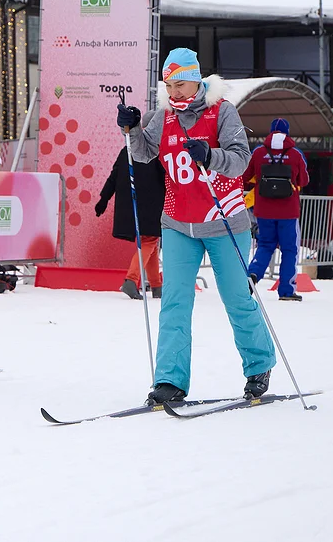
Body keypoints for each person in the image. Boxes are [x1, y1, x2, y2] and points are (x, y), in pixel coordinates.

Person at [120, 47, 276, 404]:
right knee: (175, 302)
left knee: (237, 298)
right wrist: (132, 127)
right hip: (178, 223)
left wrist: (211, 156)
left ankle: (259, 365)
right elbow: (144, 152)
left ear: (197, 80)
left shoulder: (222, 111)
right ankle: (170, 380)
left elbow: (240, 162)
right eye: (169, 85)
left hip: (224, 221)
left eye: (182, 84)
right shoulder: (163, 117)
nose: (175, 92)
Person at [244, 118, 310, 301]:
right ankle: (287, 290)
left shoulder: (258, 152)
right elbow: (304, 180)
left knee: (265, 246)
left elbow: (245, 176)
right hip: (288, 212)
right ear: (287, 133)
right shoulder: (296, 154)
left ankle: (252, 276)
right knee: (289, 250)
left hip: (263, 210)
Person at [95, 147, 165, 300]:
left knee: (151, 240)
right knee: (150, 240)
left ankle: (156, 286)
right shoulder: (157, 151)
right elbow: (167, 176)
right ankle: (131, 280)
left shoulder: (128, 149)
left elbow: (114, 176)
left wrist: (104, 199)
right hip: (151, 203)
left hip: (133, 204)